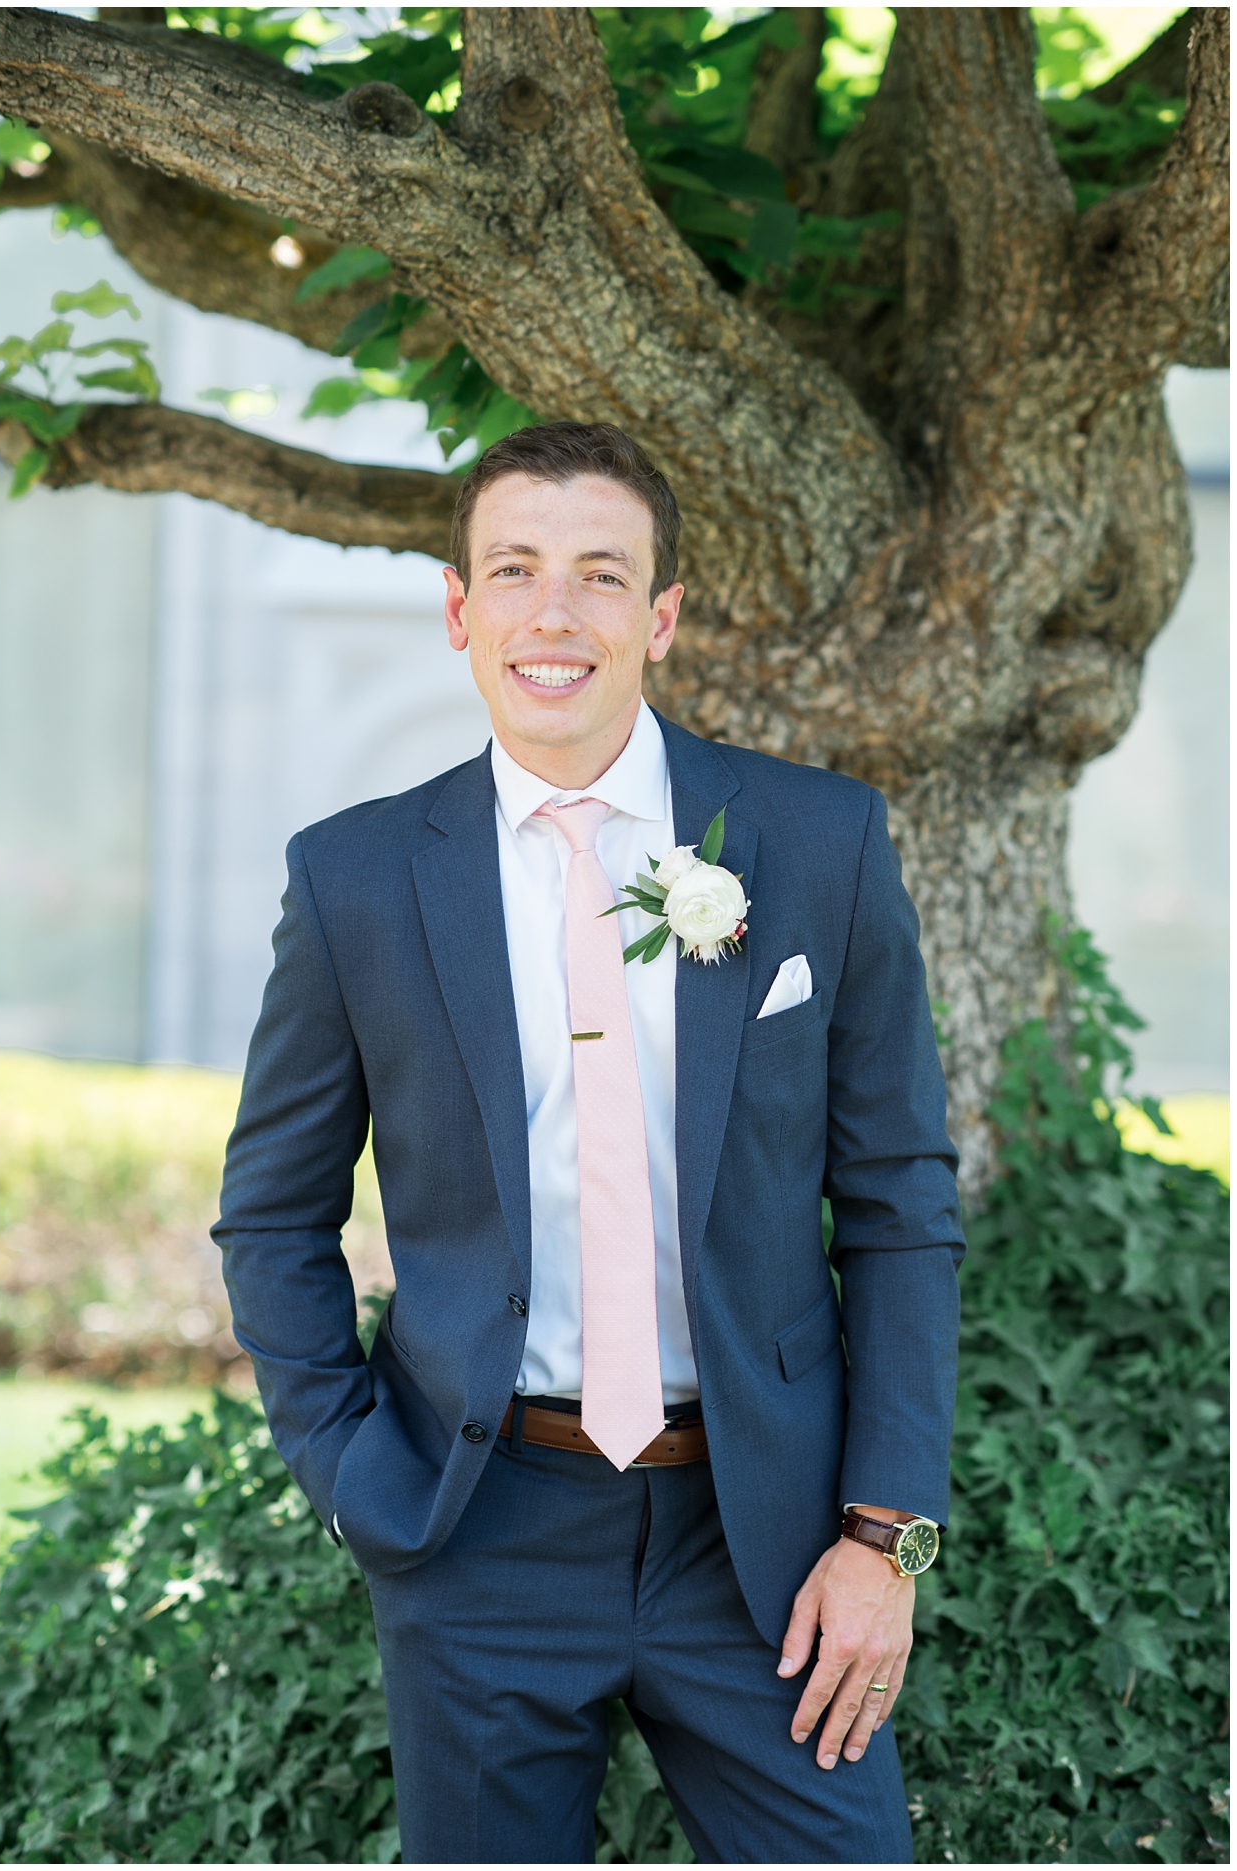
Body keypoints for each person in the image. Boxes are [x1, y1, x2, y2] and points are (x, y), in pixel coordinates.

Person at [214, 421, 961, 1862]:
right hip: (481, 1527)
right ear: (459, 609)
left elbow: (899, 1209)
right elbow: (270, 1213)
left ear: (662, 617)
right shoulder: (357, 876)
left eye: (602, 575)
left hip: (770, 1537)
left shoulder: (819, 845)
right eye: (516, 570)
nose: (555, 612)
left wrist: (885, 1536)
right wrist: (359, 1480)